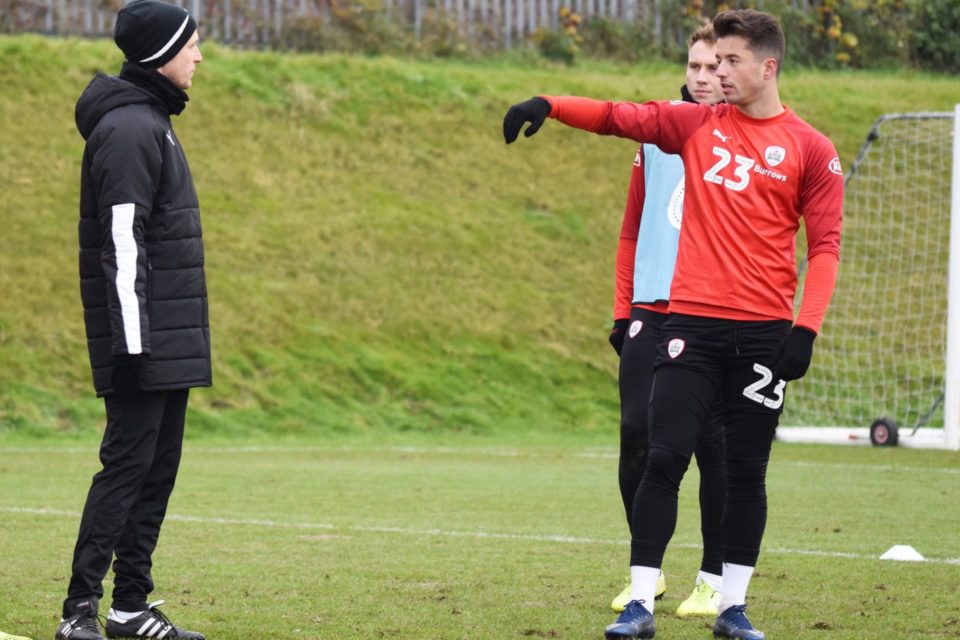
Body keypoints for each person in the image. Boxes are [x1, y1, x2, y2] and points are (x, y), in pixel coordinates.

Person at [503, 9, 843, 640]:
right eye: (712, 61)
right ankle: (639, 602)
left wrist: (806, 329)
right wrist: (549, 104)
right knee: (662, 457)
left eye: (731, 60)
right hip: (691, 327)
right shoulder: (694, 124)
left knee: (744, 472)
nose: (718, 72)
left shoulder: (812, 149)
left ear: (768, 67)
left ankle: (732, 606)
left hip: (764, 333)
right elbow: (617, 116)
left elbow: (825, 248)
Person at [58, 2, 210, 639]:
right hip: (142, 341)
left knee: (155, 472)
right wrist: (132, 344)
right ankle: (78, 612)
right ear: (161, 53)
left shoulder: (153, 120)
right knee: (125, 470)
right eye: (191, 44)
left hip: (167, 338)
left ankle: (129, 608)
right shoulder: (128, 128)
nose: (199, 55)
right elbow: (123, 242)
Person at [608, 24, 727, 620]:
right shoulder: (656, 135)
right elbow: (633, 228)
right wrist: (621, 309)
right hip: (650, 310)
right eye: (694, 66)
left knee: (713, 449)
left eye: (714, 67)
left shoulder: (745, 137)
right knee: (635, 435)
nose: (703, 77)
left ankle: (712, 579)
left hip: (712, 313)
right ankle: (646, 573)